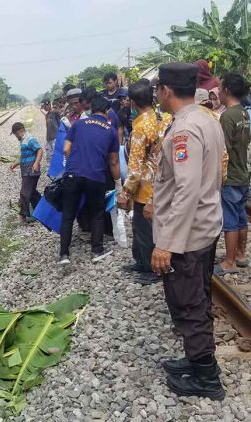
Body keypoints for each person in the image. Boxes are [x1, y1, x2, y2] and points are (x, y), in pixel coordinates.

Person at [151, 62, 226, 401]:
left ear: (166, 91)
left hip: (188, 235)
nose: (156, 94)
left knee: (187, 303)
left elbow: (186, 190)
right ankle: (196, 361)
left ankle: (207, 379)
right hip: (204, 227)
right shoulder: (205, 119)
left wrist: (166, 243)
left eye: (157, 89)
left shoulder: (184, 130)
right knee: (197, 297)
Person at [117, 81, 172, 284]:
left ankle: (150, 269)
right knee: (150, 227)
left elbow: (135, 167)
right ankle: (140, 262)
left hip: (146, 186)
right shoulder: (165, 118)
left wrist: (125, 193)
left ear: (132, 102)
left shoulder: (140, 126)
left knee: (144, 229)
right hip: (164, 181)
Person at [58, 96, 121, 265]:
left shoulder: (78, 124)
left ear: (91, 109)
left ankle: (64, 254)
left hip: (73, 174)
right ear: (107, 111)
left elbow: (66, 149)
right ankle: (96, 251)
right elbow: (114, 160)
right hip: (96, 175)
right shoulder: (110, 130)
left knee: (68, 215)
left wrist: (75, 163)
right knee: (97, 214)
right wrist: (118, 182)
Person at [215, 73, 250, 275]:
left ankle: (229, 262)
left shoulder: (228, 116)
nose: (218, 91)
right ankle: (241, 255)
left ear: (226, 89)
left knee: (230, 221)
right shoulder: (244, 113)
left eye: (220, 87)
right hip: (243, 173)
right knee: (240, 217)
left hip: (231, 175)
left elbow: (223, 150)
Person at [9, 122, 43, 222]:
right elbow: (25, 156)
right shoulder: (23, 140)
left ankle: (22, 216)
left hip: (31, 170)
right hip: (27, 170)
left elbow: (40, 150)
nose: (16, 137)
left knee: (24, 192)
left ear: (19, 131)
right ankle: (41, 210)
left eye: (15, 135)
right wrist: (16, 163)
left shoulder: (29, 138)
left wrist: (36, 163)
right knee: (32, 192)